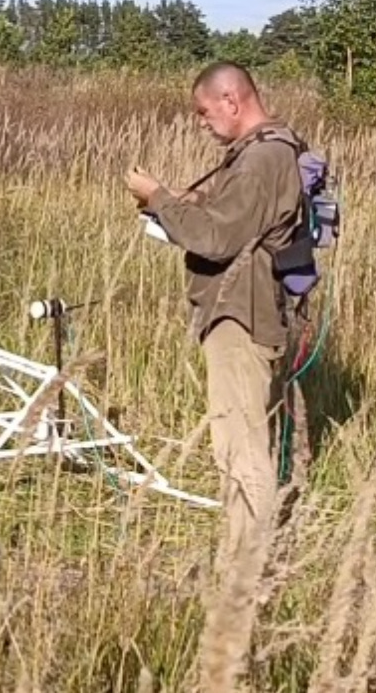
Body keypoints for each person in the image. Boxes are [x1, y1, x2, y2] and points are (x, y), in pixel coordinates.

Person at [123, 60, 305, 572]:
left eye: (204, 111)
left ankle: (245, 570)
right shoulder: (269, 151)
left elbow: (218, 237)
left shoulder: (261, 158)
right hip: (244, 308)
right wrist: (179, 203)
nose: (200, 122)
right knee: (241, 438)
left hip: (239, 314)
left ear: (231, 100)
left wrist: (158, 198)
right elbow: (233, 217)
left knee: (240, 445)